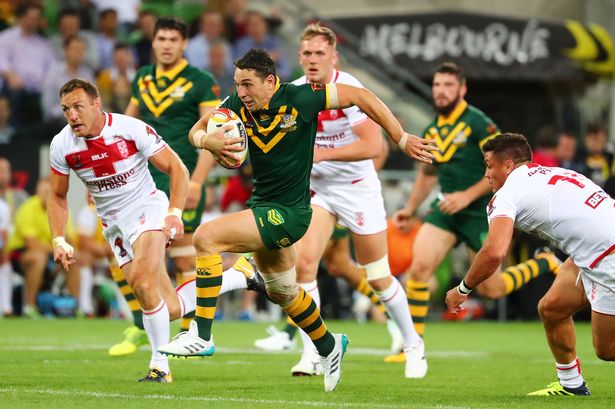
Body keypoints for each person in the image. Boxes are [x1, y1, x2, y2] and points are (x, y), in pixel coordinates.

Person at [156, 48, 435, 392]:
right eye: (238, 85)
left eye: (248, 84)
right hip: (264, 205)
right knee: (283, 291)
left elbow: (362, 96)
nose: (242, 92)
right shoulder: (237, 105)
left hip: (291, 213)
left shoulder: (302, 98)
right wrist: (209, 140)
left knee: (205, 237)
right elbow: (194, 132)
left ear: (270, 82)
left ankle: (201, 332)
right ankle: (329, 345)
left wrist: (401, 137)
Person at [266, 23, 422, 379]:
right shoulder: (295, 91)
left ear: (333, 57)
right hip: (320, 192)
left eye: (319, 53)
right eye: (306, 53)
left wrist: (319, 154)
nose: (311, 59)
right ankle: (313, 354)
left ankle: (413, 342)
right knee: (304, 264)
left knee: (378, 276)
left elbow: (372, 146)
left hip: (357, 187)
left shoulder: (350, 89)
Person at [110, 16, 260, 356]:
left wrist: (196, 180)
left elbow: (215, 133)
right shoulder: (143, 78)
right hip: (143, 182)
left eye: (172, 40)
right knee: (126, 258)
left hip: (182, 177)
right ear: (153, 42)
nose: (165, 45)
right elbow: (126, 125)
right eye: (160, 38)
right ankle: (144, 322)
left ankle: (190, 332)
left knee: (185, 262)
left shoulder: (200, 81)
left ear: (183, 45)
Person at [392, 62, 561, 363]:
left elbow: (503, 170)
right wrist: (409, 208)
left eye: (447, 85)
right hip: (445, 211)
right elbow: (428, 175)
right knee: (418, 269)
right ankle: (413, 348)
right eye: (436, 85)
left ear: (462, 89)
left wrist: (465, 196)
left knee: (493, 289)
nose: (440, 91)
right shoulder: (433, 127)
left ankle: (544, 262)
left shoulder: (479, 123)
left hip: (477, 213)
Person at [445, 132, 615, 396]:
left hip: (606, 257)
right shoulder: (550, 172)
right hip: (592, 251)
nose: (486, 175)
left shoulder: (507, 194)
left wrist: (462, 289)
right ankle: (571, 385)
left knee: (607, 349)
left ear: (509, 165)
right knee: (552, 309)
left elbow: (494, 252)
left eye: (489, 165)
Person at [47, 78, 193, 383]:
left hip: (148, 209)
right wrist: (59, 238)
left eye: (78, 107)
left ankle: (160, 367)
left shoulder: (130, 128)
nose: (72, 115)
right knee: (169, 307)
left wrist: (174, 213)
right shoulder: (62, 145)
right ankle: (237, 277)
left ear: (97, 104)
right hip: (114, 225)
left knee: (141, 279)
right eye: (66, 110)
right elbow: (58, 196)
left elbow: (177, 168)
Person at [8, 178, 77, 318]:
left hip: (52, 252)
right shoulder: (27, 208)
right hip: (21, 254)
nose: (46, 195)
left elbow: (69, 238)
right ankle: (30, 307)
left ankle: (74, 305)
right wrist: (58, 251)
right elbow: (31, 244)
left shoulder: (61, 208)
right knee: (38, 257)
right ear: (37, 192)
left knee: (75, 256)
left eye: (49, 191)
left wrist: (65, 251)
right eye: (43, 191)